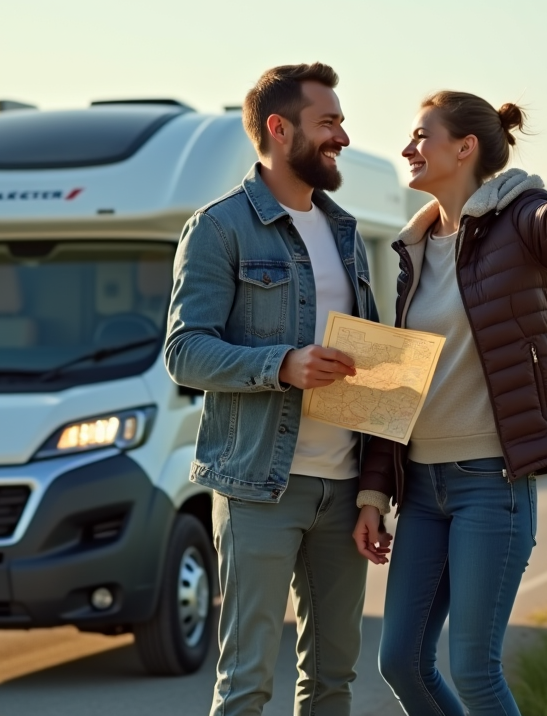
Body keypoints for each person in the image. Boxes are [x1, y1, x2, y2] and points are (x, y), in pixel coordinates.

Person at [352, 91, 547, 715]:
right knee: (400, 662)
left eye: (421, 136)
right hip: (422, 489)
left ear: (465, 147)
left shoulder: (518, 222)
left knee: (474, 670)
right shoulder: (413, 251)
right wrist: (373, 493)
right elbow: (395, 383)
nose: (407, 149)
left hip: (490, 484)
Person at [165, 62, 383, 716]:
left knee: (333, 680)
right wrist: (282, 364)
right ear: (279, 129)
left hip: (343, 488)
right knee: (246, 684)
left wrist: (373, 492)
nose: (342, 136)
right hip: (258, 486)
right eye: (328, 122)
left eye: (342, 121)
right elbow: (184, 352)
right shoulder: (219, 227)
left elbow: (370, 363)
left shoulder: (346, 232)